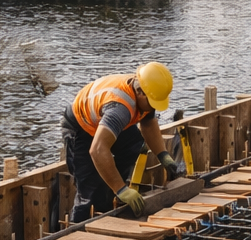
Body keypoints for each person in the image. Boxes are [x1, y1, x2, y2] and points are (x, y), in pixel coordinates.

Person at [63, 64, 179, 221]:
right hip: (82, 126)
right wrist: (121, 189)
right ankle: (77, 230)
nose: (153, 107)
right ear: (140, 93)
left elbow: (148, 122)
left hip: (102, 121)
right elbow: (97, 150)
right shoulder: (120, 109)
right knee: (89, 192)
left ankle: (110, 194)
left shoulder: (146, 89)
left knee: (132, 145)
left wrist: (163, 156)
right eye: (152, 103)